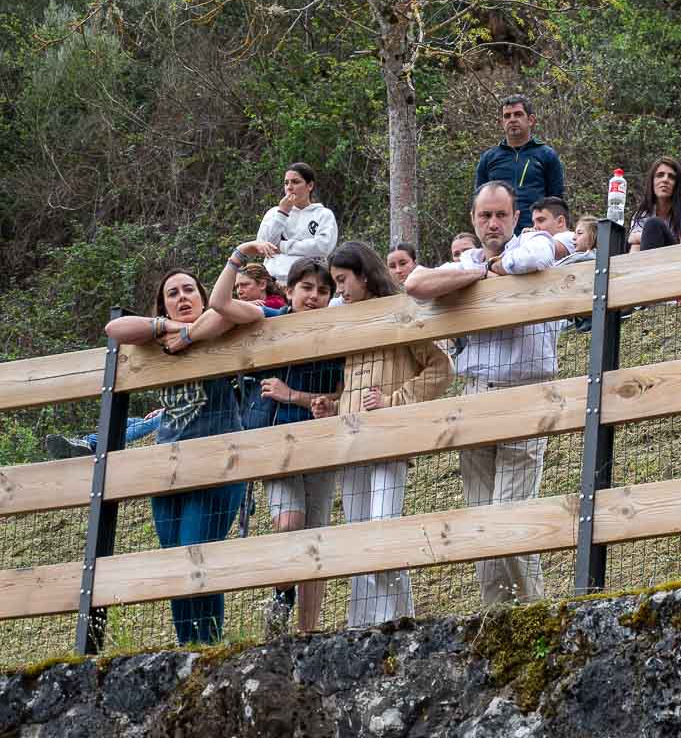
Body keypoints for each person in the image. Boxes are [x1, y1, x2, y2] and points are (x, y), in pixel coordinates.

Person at [404, 181, 562, 606]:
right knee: (480, 517)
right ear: (473, 220)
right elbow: (416, 283)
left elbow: (535, 257)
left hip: (524, 394)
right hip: (475, 394)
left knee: (507, 514)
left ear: (515, 217)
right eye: (485, 215)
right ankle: (495, 617)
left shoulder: (534, 242)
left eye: (501, 215)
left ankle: (536, 611)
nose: (493, 223)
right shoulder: (468, 260)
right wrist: (476, 272)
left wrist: (487, 272)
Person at [103, 270, 247, 644]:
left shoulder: (216, 329)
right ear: (162, 304)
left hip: (214, 463)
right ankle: (188, 649)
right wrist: (166, 327)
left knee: (194, 554)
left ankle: (209, 648)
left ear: (202, 297)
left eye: (189, 291)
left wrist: (188, 332)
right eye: (172, 293)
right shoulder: (157, 343)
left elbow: (225, 312)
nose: (182, 297)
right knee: (173, 565)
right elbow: (114, 329)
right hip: (163, 470)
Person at [210, 249, 344, 635]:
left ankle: (307, 633)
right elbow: (219, 303)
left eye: (322, 290)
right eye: (306, 288)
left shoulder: (338, 331)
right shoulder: (268, 320)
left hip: (321, 444)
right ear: (287, 291)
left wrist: (301, 398)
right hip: (276, 443)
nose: (313, 296)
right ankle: (282, 600)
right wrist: (237, 257)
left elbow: (341, 394)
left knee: (314, 540)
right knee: (289, 524)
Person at [319, 241, 452, 627]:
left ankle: (390, 622)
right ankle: (366, 623)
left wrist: (395, 399)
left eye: (342, 280)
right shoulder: (346, 322)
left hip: (389, 437)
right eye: (335, 282)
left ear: (363, 274)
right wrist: (335, 403)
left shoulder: (399, 314)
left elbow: (441, 370)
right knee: (358, 534)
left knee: (382, 528)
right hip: (349, 439)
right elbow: (354, 383)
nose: (339, 289)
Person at [474, 94, 565, 233]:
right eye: (507, 116)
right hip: (499, 233)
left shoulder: (547, 155)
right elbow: (479, 202)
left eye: (518, 114)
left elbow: (556, 201)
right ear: (501, 122)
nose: (512, 120)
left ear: (531, 120)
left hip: (536, 234)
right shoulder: (488, 158)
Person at [255, 162, 339, 285]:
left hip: (309, 282)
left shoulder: (323, 214)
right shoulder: (273, 213)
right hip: (273, 282)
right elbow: (263, 246)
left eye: (295, 182)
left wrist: (283, 246)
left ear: (309, 185)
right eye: (286, 182)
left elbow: (322, 247)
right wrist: (282, 213)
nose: (289, 187)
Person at [628, 157, 681, 252]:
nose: (665, 180)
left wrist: (648, 235)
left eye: (671, 177)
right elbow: (633, 245)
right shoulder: (642, 214)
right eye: (660, 175)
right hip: (650, 262)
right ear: (652, 181)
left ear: (677, 184)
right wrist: (649, 236)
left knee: (654, 225)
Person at [43, 409, 164, 459]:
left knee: (146, 424)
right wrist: (160, 410)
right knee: (123, 422)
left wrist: (163, 412)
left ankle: (90, 446)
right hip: (167, 413)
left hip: (174, 419)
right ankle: (86, 443)